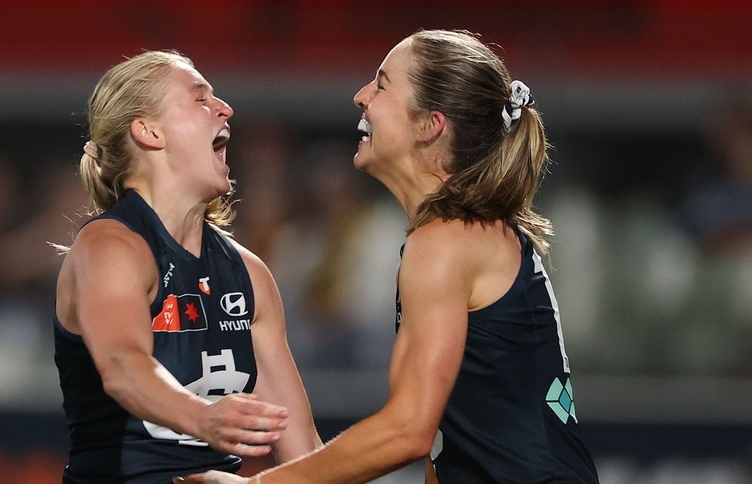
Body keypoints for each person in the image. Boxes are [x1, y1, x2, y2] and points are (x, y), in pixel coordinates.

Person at [183, 29, 599, 483]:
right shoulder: (458, 234)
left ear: (430, 125)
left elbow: (408, 430)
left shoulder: (446, 241)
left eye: (381, 85)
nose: (361, 96)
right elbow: (443, 448)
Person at [52, 50, 322, 483]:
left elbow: (303, 454)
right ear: (149, 131)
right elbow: (122, 366)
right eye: (200, 98)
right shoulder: (110, 245)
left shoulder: (249, 274)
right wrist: (203, 418)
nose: (224, 108)